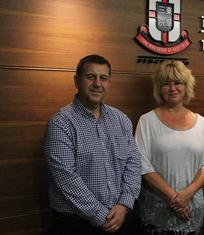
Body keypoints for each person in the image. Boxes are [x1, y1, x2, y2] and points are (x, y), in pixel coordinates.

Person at [43, 54, 141, 234]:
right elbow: (65, 178)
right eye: (91, 77)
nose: (97, 83)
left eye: (103, 78)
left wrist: (124, 204)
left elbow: (133, 164)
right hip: (75, 225)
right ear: (76, 80)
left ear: (109, 83)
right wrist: (101, 215)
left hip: (118, 218)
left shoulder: (121, 120)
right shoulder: (61, 123)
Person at [134, 60, 204, 235]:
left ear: (186, 86)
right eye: (166, 84)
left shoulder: (200, 122)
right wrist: (174, 199)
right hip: (157, 211)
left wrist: (187, 194)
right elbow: (143, 166)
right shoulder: (147, 121)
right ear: (159, 88)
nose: (173, 88)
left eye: (178, 82)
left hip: (192, 209)